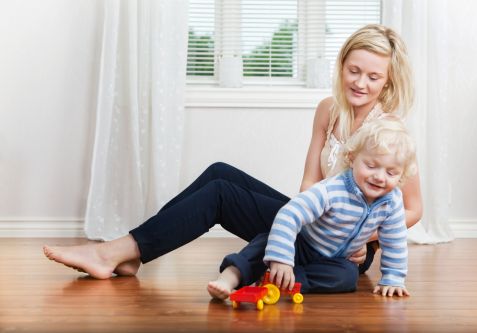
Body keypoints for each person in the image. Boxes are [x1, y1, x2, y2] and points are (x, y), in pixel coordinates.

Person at [43, 24, 422, 286]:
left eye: (373, 77)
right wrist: (298, 215)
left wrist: (367, 238)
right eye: (354, 71)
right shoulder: (328, 109)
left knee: (221, 196)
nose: (360, 82)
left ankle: (115, 252)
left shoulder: (389, 131)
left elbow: (414, 207)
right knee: (219, 172)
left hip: (344, 248)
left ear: (387, 80)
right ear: (341, 66)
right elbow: (310, 180)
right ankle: (134, 252)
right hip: (312, 221)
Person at [208, 117, 416, 299]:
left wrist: (392, 278)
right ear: (352, 159)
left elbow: (394, 239)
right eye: (371, 166)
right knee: (264, 242)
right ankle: (230, 278)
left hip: (336, 260)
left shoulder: (392, 201)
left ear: (401, 175)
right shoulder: (332, 190)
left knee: (347, 277)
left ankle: (284, 281)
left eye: (391, 173)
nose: (379, 177)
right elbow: (290, 214)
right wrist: (282, 258)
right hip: (303, 244)